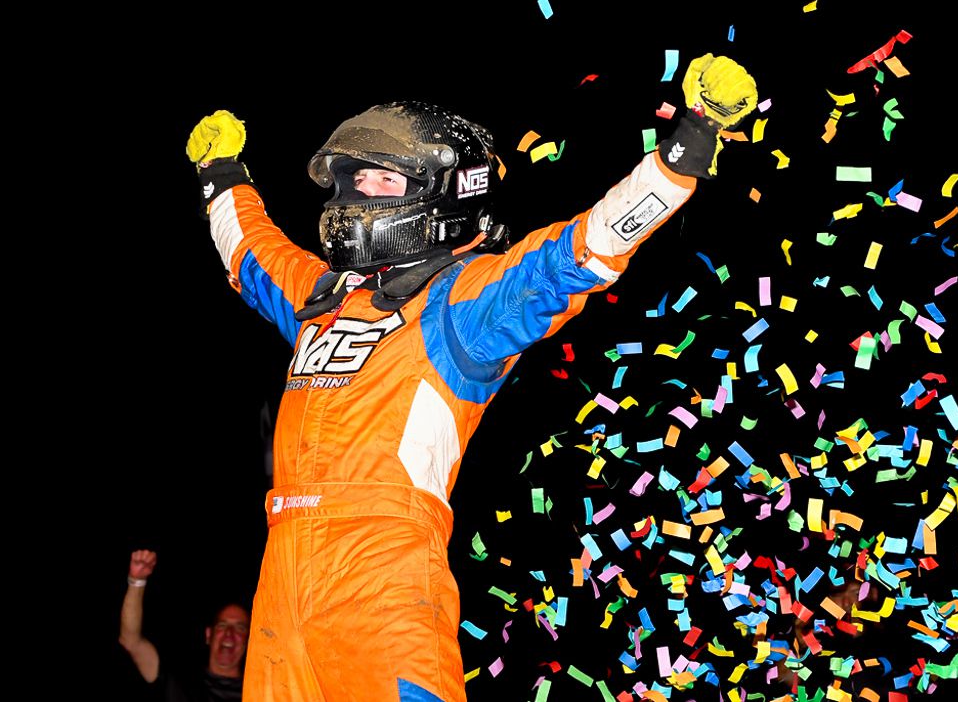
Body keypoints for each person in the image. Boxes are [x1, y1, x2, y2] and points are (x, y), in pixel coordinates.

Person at [186, 53, 757, 702]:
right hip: (281, 573)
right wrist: (222, 173)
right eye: (353, 180)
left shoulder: (460, 304)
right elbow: (253, 254)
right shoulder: (324, 297)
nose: (354, 195)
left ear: (439, 196)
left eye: (378, 180)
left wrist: (684, 150)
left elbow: (576, 255)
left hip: (381, 572)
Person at [119, 549, 250, 701]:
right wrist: (137, 580)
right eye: (222, 625)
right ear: (209, 635)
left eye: (240, 628)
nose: (229, 633)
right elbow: (130, 641)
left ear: (249, 641)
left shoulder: (260, 692)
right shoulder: (179, 681)